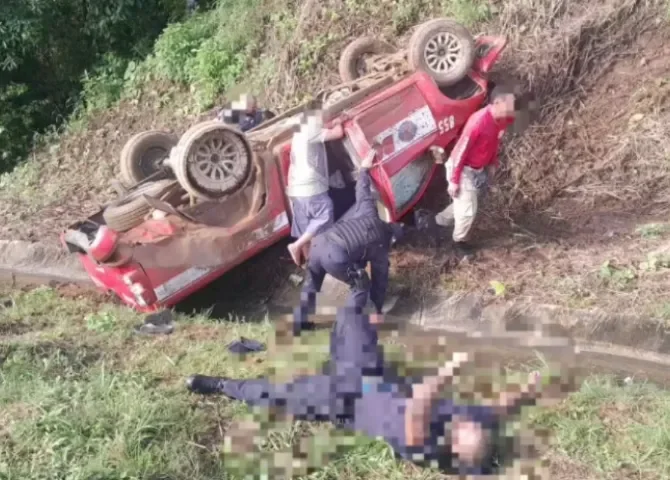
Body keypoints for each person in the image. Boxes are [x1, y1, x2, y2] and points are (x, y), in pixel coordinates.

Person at [185, 308, 553, 476]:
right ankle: (338, 346)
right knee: (352, 315)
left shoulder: (425, 447)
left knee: (275, 395)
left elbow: (420, 405)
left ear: (457, 445)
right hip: (370, 374)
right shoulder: (473, 424)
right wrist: (530, 388)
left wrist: (450, 369)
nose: (470, 420)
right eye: (476, 426)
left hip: (343, 400)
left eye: (469, 430)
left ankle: (218, 385)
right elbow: (501, 409)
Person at [299, 148, 403, 315]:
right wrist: (377, 307)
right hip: (335, 255)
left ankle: (301, 323)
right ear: (392, 239)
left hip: (319, 243)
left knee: (312, 284)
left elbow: (362, 190)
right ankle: (353, 323)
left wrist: (364, 169)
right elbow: (380, 280)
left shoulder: (369, 211)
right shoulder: (382, 244)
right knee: (360, 284)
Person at [432, 87, 517, 260]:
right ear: (497, 103)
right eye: (509, 105)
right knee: (468, 210)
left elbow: (494, 142)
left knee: (464, 202)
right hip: (462, 168)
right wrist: (454, 180)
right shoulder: (478, 122)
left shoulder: (502, 119)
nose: (511, 109)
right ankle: (459, 242)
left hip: (477, 169)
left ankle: (439, 222)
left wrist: (492, 162)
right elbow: (461, 151)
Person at [286, 112, 345, 266]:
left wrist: (332, 122)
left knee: (305, 229)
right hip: (311, 187)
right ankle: (297, 246)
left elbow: (325, 128)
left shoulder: (298, 134)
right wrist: (339, 122)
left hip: (295, 189)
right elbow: (338, 133)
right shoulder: (312, 131)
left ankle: (311, 266)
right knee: (324, 215)